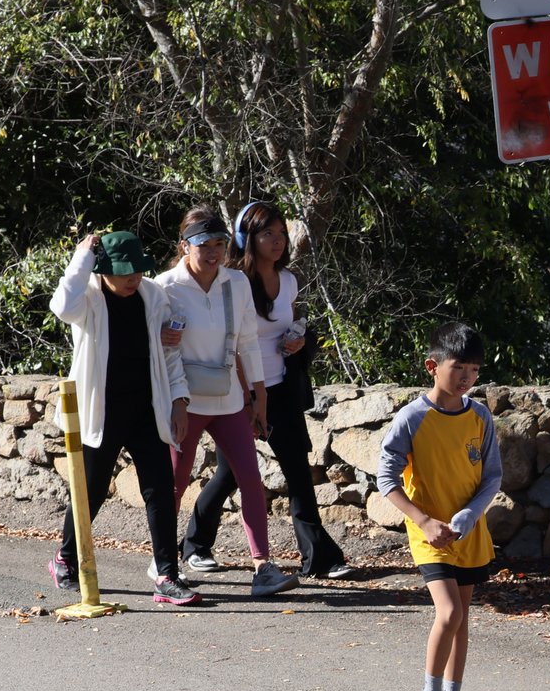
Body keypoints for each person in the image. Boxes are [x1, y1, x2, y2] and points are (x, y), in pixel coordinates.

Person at [179, 199, 351, 583]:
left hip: (281, 390)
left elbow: (285, 329)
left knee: (297, 472)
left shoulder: (288, 280)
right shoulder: (233, 282)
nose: (277, 241)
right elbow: (236, 342)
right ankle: (194, 544)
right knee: (231, 475)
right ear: (247, 238)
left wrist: (299, 340)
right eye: (267, 233)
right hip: (239, 394)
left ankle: (319, 557)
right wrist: (249, 395)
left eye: (282, 233)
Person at [43, 229, 200, 607]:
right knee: (91, 491)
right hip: (101, 408)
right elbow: (60, 306)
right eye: (126, 272)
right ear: (103, 270)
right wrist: (81, 257)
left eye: (139, 270)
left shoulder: (152, 296)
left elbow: (168, 353)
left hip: (147, 407)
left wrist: (179, 399)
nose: (135, 278)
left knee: (160, 490)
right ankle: (65, 557)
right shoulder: (89, 300)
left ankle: (167, 575)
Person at [155, 204, 294, 599]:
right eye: (204, 245)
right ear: (185, 246)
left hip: (229, 396)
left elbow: (247, 342)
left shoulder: (235, 282)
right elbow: (162, 352)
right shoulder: (164, 287)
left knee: (251, 479)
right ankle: (165, 561)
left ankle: (262, 567)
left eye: (220, 243)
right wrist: (177, 401)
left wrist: (259, 395)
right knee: (174, 484)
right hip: (184, 398)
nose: (214, 252)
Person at [377, 321, 502, 691]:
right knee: (448, 613)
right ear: (433, 366)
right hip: (428, 535)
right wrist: (424, 521)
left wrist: (469, 515)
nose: (466, 376)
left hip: (469, 534)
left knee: (462, 619)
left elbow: (492, 477)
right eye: (458, 367)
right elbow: (386, 479)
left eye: (473, 369)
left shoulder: (480, 416)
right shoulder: (412, 418)